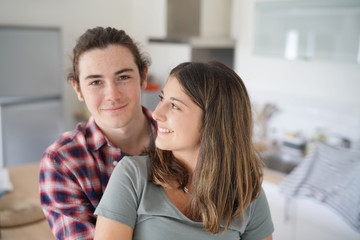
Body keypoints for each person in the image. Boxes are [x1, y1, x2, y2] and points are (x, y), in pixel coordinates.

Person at [94, 61, 274, 240]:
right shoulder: (133, 175)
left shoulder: (247, 194)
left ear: (211, 122)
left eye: (174, 106)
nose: (156, 113)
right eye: (162, 99)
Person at [39, 26, 157, 240]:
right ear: (78, 89)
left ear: (143, 76)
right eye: (95, 82)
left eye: (123, 77)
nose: (112, 94)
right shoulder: (61, 162)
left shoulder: (183, 136)